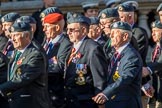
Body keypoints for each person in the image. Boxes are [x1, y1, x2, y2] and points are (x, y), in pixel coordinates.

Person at [92, 21, 143, 108]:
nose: (110, 36)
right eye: (111, 33)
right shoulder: (116, 54)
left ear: (125, 36)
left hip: (126, 104)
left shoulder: (131, 56)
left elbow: (125, 78)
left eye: (114, 33)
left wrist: (105, 93)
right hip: (114, 103)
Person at [0, 21, 50, 108]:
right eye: (11, 36)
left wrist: (2, 87)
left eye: (16, 35)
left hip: (31, 103)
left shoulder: (35, 55)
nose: (12, 39)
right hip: (15, 102)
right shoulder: (17, 52)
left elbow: (24, 78)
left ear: (27, 36)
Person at [64, 12, 108, 108]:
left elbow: (99, 79)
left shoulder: (93, 48)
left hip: (86, 102)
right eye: (67, 29)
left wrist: (100, 102)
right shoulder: (72, 47)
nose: (68, 33)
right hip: (71, 101)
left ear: (83, 30)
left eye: (71, 30)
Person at [43, 13, 72, 108]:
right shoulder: (47, 42)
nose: (44, 30)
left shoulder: (65, 44)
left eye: (47, 27)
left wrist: (38, 71)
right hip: (46, 93)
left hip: (56, 94)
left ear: (57, 28)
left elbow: (59, 68)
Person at [142, 20, 162, 108]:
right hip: (155, 93)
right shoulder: (155, 49)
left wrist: (148, 69)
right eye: (152, 31)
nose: (153, 34)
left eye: (156, 31)